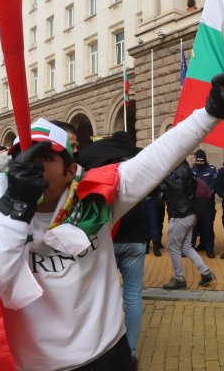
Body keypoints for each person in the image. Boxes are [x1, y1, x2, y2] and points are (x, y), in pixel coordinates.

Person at [0, 73, 224, 370]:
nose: (31, 169)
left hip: (106, 354)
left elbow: (156, 157)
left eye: (45, 158)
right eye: (23, 159)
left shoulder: (96, 197)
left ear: (69, 169)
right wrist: (15, 211)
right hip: (32, 363)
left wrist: (210, 113)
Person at [77, 131, 148, 363]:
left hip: (107, 235)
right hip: (136, 236)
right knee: (133, 294)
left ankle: (101, 348)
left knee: (102, 293)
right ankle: (132, 351)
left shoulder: (91, 158)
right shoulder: (136, 160)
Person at [162, 160, 216, 290]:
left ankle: (179, 279)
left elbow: (177, 189)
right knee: (186, 247)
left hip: (181, 214)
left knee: (173, 247)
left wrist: (163, 177)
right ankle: (206, 273)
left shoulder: (181, 170)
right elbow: (177, 189)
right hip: (189, 214)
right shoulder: (185, 170)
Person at [191, 149, 217, 257]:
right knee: (193, 227)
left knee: (207, 227)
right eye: (198, 161)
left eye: (202, 161)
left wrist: (206, 193)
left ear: (205, 160)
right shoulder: (192, 170)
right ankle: (190, 249)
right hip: (195, 203)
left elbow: (213, 185)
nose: (200, 163)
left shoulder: (211, 169)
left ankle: (209, 249)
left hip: (208, 203)